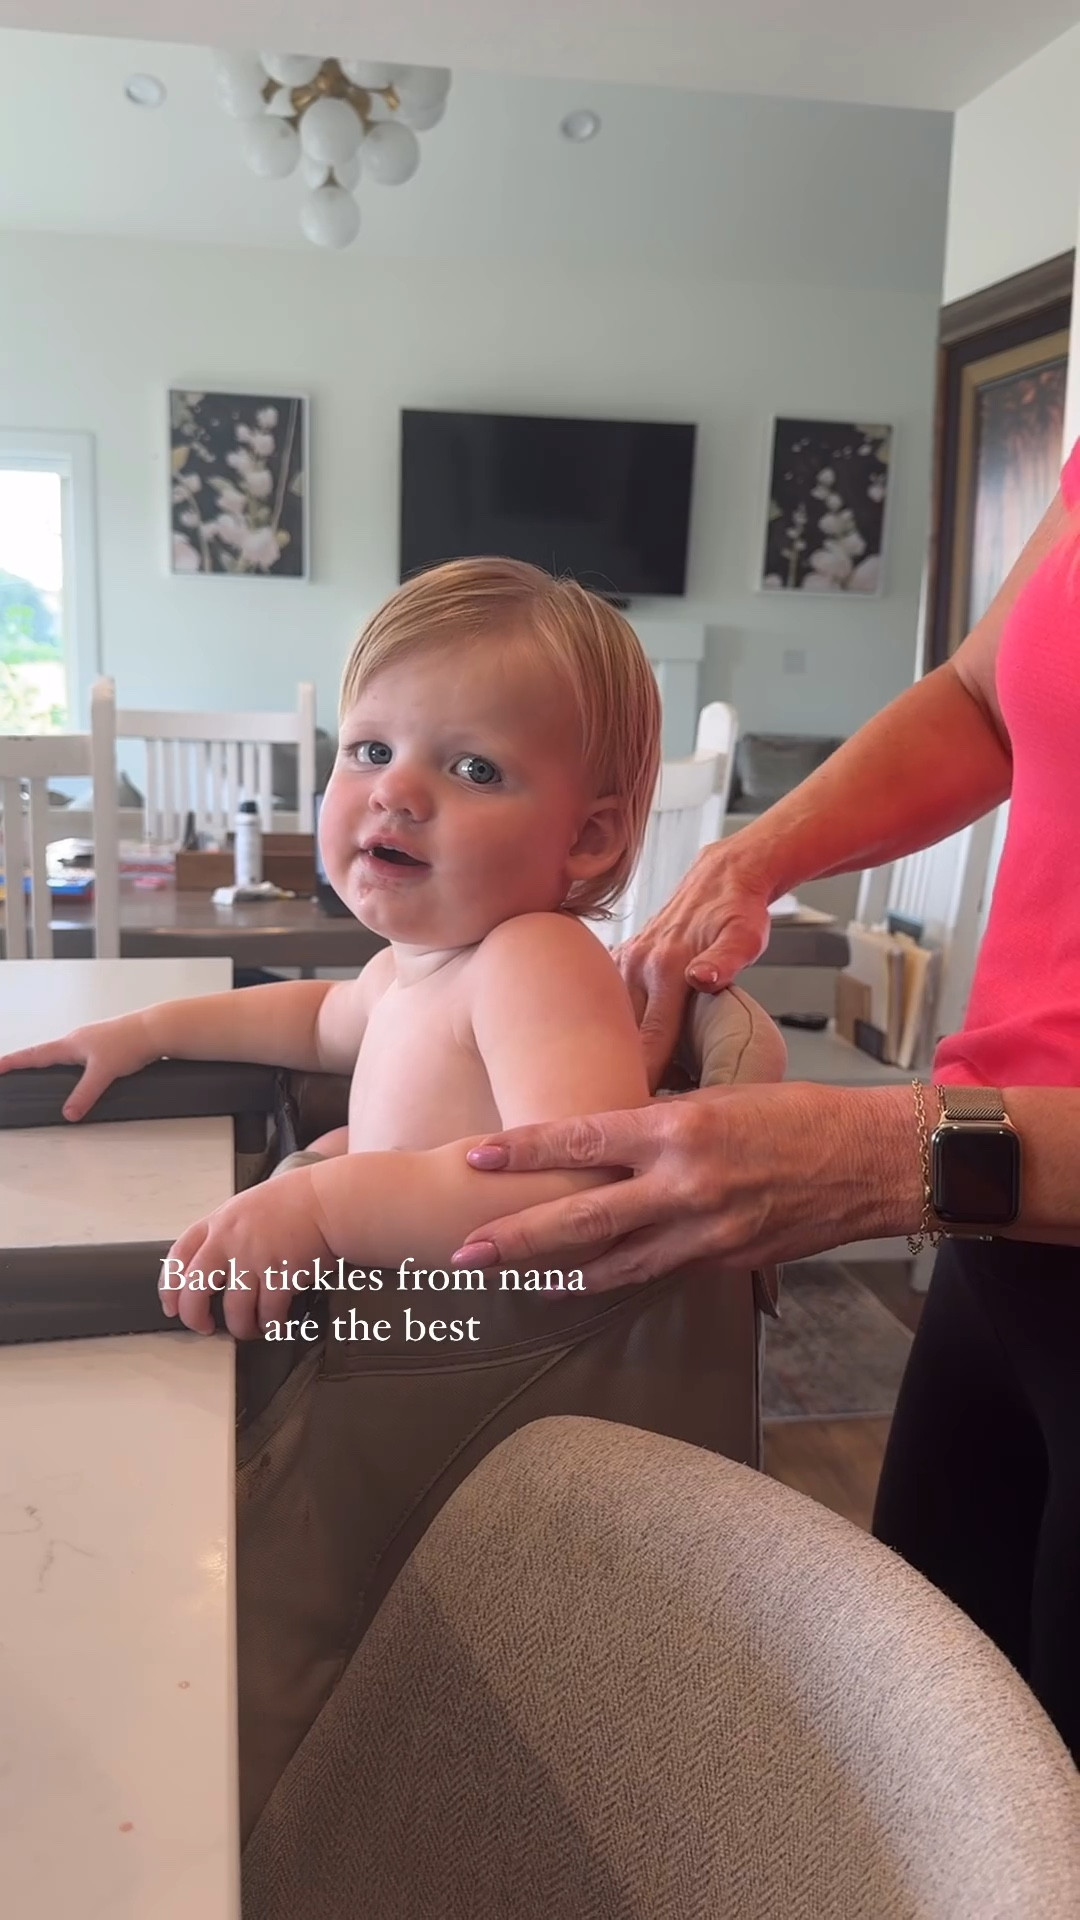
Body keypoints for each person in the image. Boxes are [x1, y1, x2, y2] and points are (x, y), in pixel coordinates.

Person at [449, 444, 1080, 1764]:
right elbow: (984, 691)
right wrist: (752, 853)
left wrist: (903, 1155)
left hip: (996, 1171)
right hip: (1003, 1247)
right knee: (937, 1774)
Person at [0, 557, 660, 1334]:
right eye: (371, 750)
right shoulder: (415, 969)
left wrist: (323, 1206)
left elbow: (583, 1184)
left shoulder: (537, 959)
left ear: (588, 837)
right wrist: (148, 1032)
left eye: (475, 769)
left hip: (460, 1366)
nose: (394, 791)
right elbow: (315, 1021)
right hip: (398, 1331)